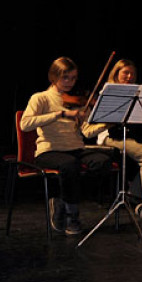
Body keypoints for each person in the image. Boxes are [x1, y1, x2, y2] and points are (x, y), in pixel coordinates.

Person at [20, 57, 113, 235]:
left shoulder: (76, 101)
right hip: (49, 151)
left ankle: (63, 199)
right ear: (53, 77)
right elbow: (25, 124)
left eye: (74, 78)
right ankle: (73, 217)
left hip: (76, 149)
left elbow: (87, 132)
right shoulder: (41, 98)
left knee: (103, 161)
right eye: (66, 78)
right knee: (70, 165)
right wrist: (60, 113)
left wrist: (107, 123)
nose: (70, 82)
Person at [91, 59, 142, 216]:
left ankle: (136, 193)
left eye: (132, 74)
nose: (129, 76)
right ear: (116, 73)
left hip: (126, 134)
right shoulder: (108, 91)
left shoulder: (136, 93)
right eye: (125, 73)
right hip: (108, 135)